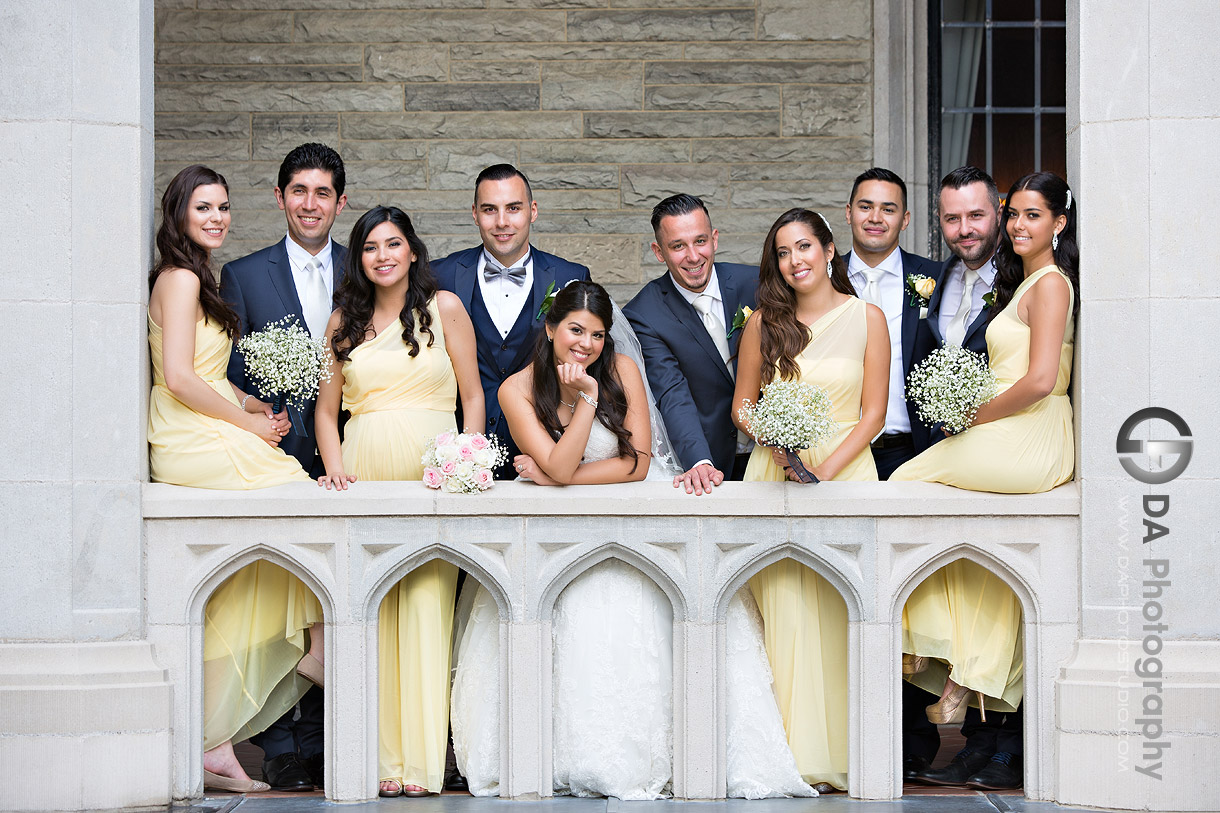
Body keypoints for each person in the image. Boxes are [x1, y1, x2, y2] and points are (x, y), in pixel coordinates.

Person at [450, 281, 677, 799]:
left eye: (597, 334)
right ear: (551, 329)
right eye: (576, 330)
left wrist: (555, 472)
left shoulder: (621, 372)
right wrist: (576, 424)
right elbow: (562, 460)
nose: (587, 344)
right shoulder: (517, 389)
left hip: (620, 531)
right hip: (552, 540)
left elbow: (637, 466)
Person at [894, 171, 1080, 791]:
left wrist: (968, 415)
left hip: (1027, 431)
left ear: (1059, 222)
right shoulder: (1020, 280)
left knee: (904, 483)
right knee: (978, 562)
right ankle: (960, 670)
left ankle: (940, 660)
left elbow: (1038, 379)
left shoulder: (1049, 284)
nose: (1022, 225)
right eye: (1017, 214)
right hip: (1010, 428)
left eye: (1034, 215)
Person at [146, 165, 324, 793]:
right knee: (302, 497)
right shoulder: (179, 278)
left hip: (208, 420)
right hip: (182, 433)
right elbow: (178, 378)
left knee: (242, 569)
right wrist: (248, 430)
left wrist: (256, 410)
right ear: (179, 215)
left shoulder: (201, 277)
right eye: (204, 208)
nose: (217, 217)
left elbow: (212, 378)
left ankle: (215, 741)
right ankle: (316, 645)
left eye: (223, 207)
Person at [312, 206, 482, 798]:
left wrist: (467, 460)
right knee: (372, 618)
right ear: (358, 259)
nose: (382, 256)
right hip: (363, 474)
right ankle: (379, 759)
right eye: (369, 247)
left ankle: (421, 765)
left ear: (412, 251)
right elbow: (325, 411)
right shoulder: (342, 321)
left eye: (393, 244)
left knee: (426, 614)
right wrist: (334, 469)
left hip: (430, 475)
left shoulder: (446, 310)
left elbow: (473, 394)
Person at [730, 208, 889, 793]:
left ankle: (848, 754)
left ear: (827, 250)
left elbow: (872, 412)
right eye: (782, 252)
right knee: (787, 616)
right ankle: (791, 758)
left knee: (843, 614)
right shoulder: (762, 325)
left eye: (804, 247)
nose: (794, 261)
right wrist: (777, 443)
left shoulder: (868, 318)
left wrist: (823, 468)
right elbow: (742, 406)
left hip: (846, 472)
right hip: (774, 475)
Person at [218, 141, 348, 792]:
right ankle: (284, 744)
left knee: (339, 593)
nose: (309, 203)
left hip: (349, 454)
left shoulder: (367, 265)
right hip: (269, 454)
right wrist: (259, 423)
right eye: (298, 190)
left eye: (322, 192)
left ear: (340, 202)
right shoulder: (242, 275)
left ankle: (328, 738)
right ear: (279, 197)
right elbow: (231, 368)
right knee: (276, 599)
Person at [908, 166, 1024, 791]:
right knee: (965, 592)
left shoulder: (1024, 277)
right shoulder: (936, 276)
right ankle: (979, 737)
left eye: (975, 216)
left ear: (998, 212)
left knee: (1003, 590)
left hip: (1000, 447)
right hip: (946, 446)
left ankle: (1009, 740)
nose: (964, 230)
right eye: (952, 219)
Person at [432, 164, 590, 478]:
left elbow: (587, 359)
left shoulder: (571, 277)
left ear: (532, 211)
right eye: (490, 210)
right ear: (474, 214)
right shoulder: (439, 275)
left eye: (513, 208)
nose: (502, 222)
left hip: (544, 456)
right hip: (458, 458)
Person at [623, 194, 759, 494]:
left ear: (715, 239)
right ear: (659, 252)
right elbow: (672, 392)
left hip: (771, 454)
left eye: (700, 241)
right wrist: (699, 461)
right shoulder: (643, 314)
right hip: (710, 460)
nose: (694, 256)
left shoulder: (756, 283)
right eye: (678, 246)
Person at [842, 167, 942, 480]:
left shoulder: (938, 278)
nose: (875, 217)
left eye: (888, 209)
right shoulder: (821, 281)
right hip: (835, 451)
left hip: (913, 452)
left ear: (905, 219)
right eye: (865, 206)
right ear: (849, 213)